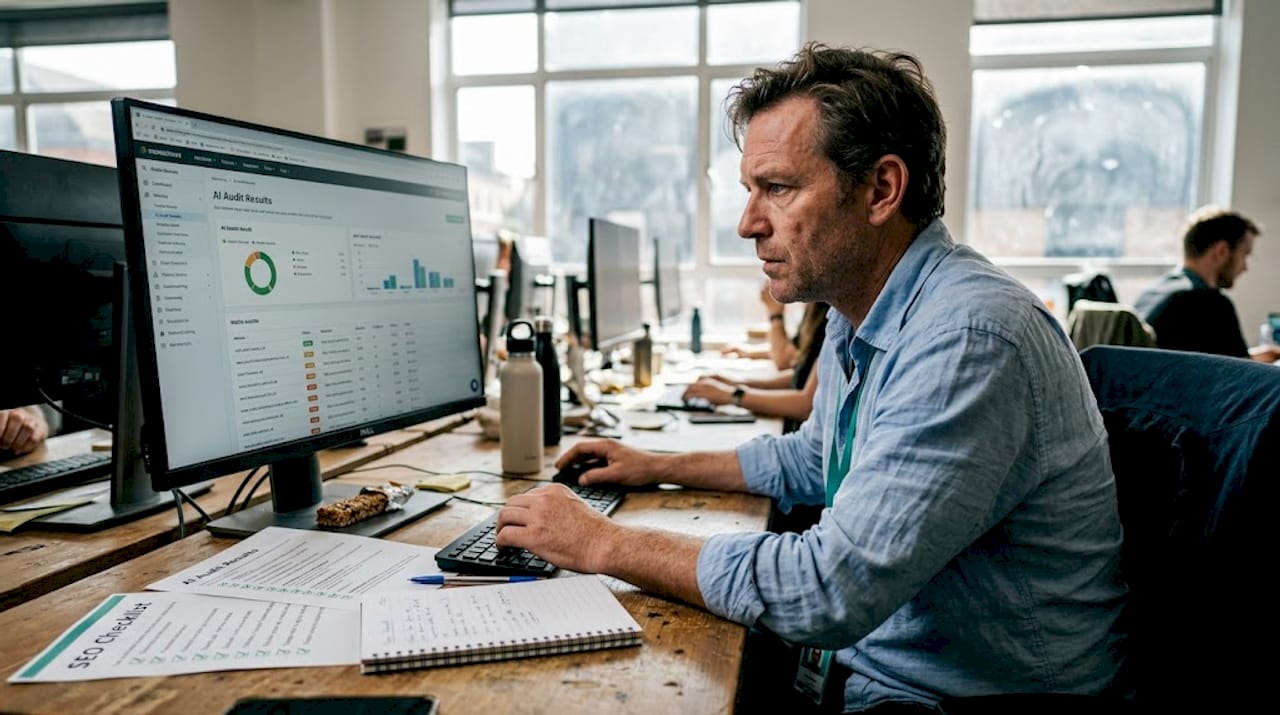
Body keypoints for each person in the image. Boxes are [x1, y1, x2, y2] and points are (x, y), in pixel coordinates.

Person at [494, 43, 1125, 711]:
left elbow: (828, 590)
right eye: (749, 190)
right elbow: (813, 457)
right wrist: (652, 464)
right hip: (885, 666)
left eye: (778, 188)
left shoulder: (968, 336)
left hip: (961, 697)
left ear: (881, 189)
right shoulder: (862, 311)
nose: (747, 224)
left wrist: (600, 540)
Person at [1133, 207, 1280, 363]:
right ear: (1222, 251)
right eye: (1245, 255)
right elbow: (1238, 375)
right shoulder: (1210, 303)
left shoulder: (1153, 293)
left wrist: (1257, 357)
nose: (1245, 268)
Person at [687, 299, 829, 433]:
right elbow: (801, 372)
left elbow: (806, 404)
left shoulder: (829, 316)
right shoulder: (815, 310)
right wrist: (736, 383)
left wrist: (731, 395)